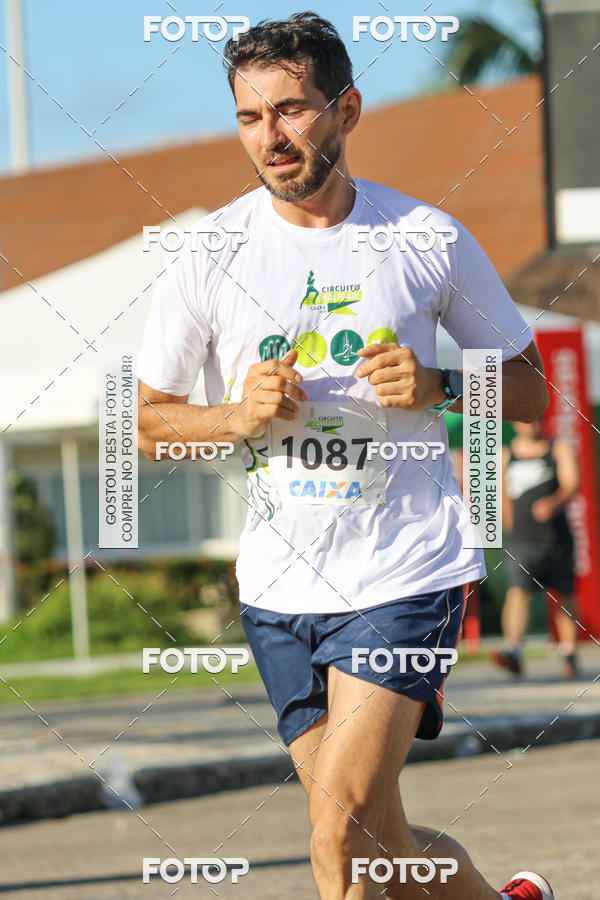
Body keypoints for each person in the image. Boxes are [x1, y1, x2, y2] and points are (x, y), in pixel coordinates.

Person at [136, 13, 554, 899]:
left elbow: (530, 389)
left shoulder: (426, 238)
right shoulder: (209, 253)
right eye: (251, 117)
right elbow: (139, 423)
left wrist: (442, 384)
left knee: (339, 833)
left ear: (348, 110)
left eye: (292, 110)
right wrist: (235, 416)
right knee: (378, 835)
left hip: (405, 571)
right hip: (279, 589)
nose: (271, 137)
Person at [492, 419, 580, 679]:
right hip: (521, 540)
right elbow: (502, 495)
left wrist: (554, 502)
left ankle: (569, 653)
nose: (530, 424)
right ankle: (514, 652)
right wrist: (510, 526)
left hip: (556, 539)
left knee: (564, 594)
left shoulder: (558, 448)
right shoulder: (506, 454)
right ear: (515, 424)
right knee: (517, 593)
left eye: (535, 419)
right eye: (525, 420)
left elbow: (572, 483)